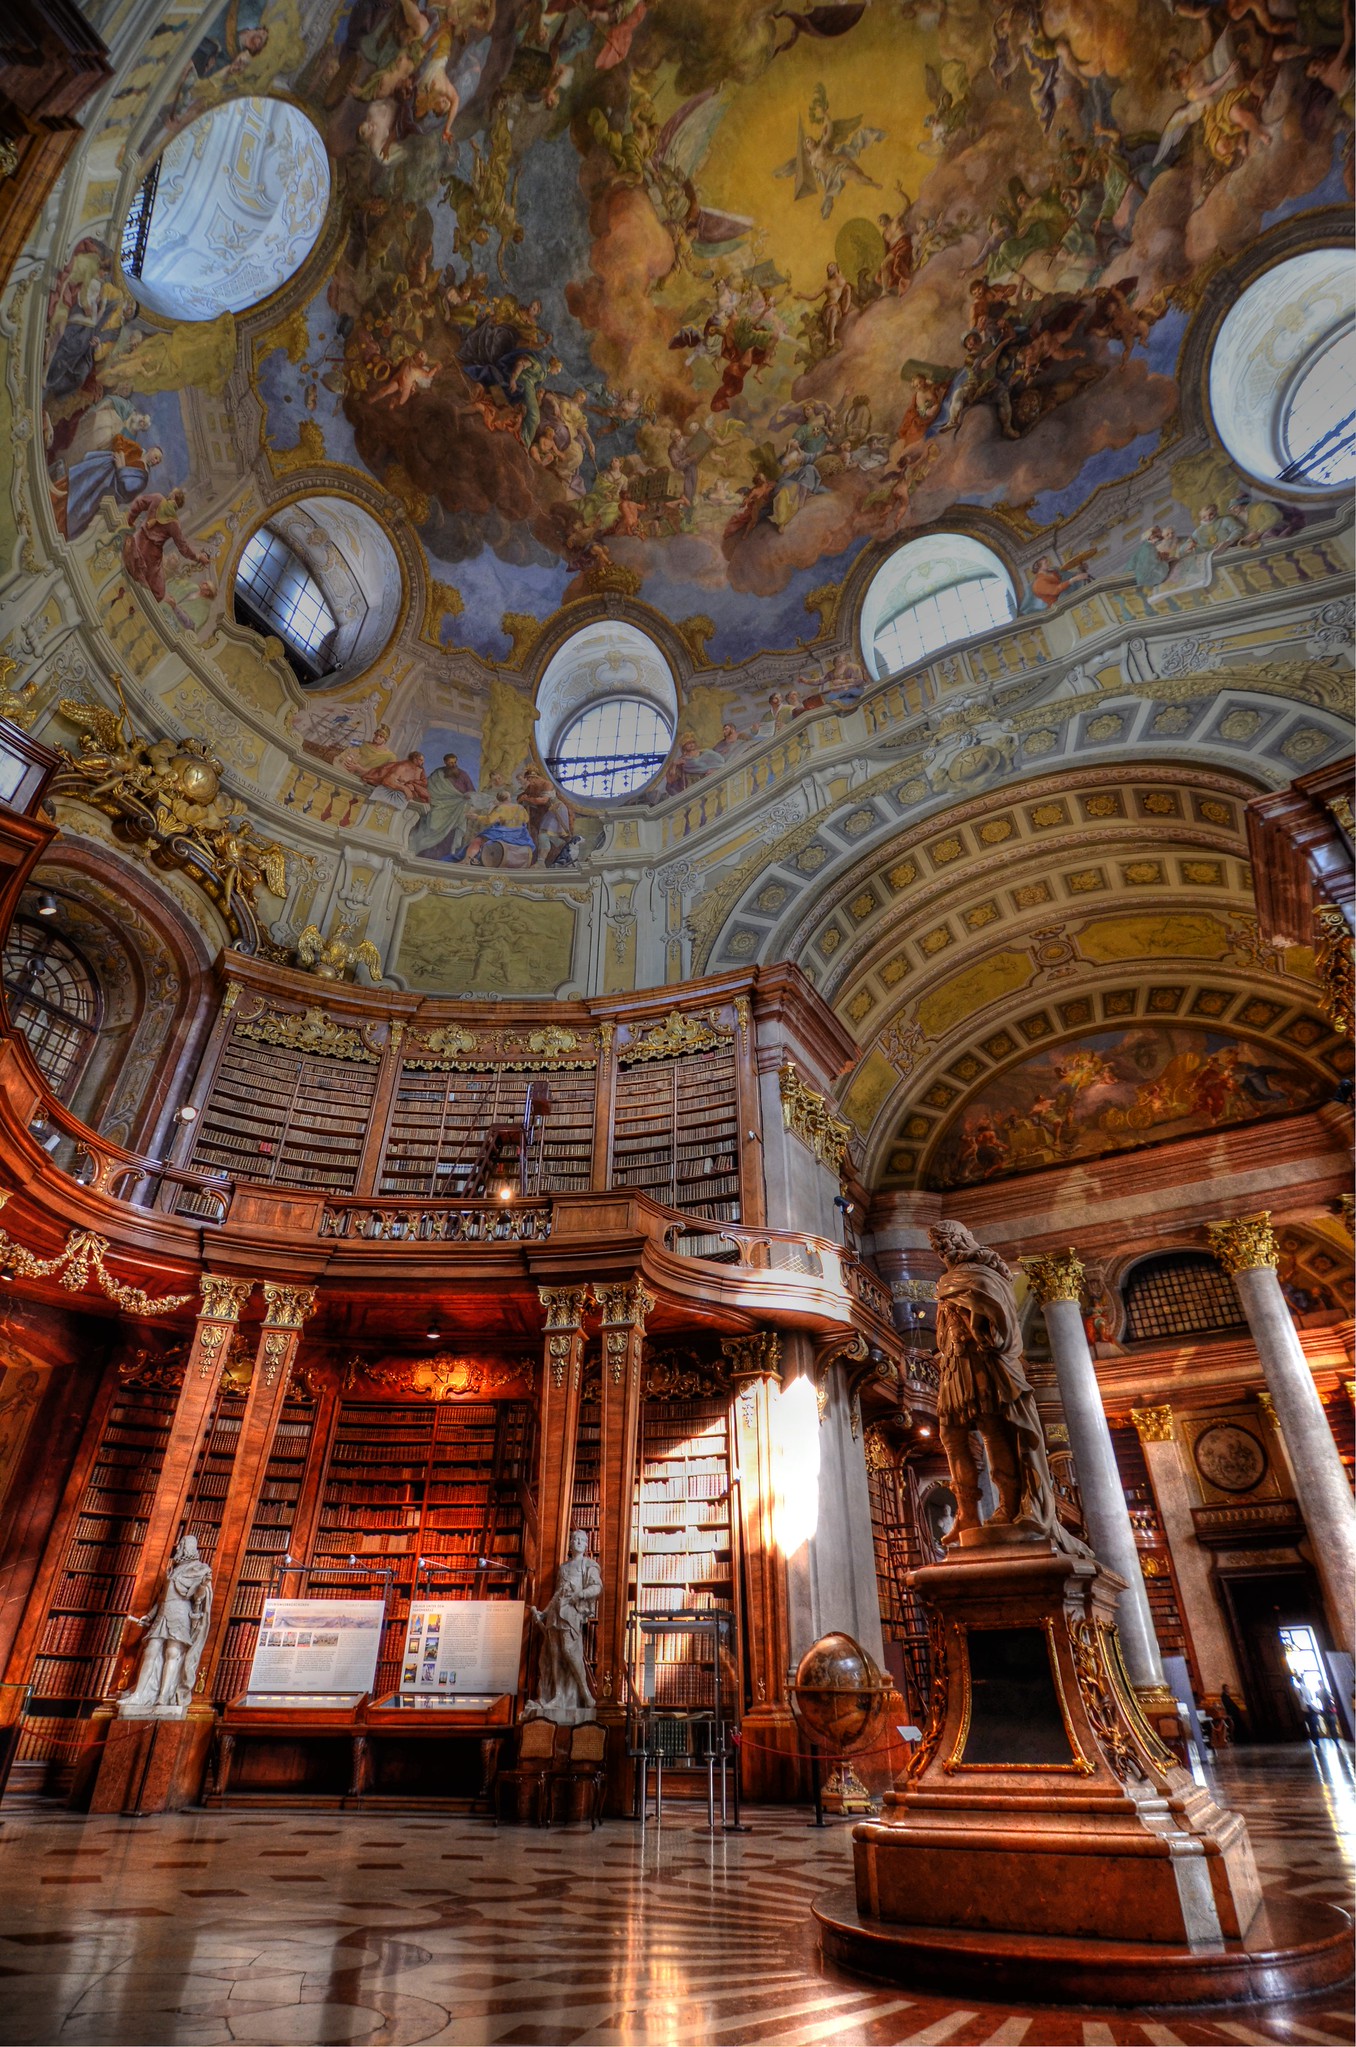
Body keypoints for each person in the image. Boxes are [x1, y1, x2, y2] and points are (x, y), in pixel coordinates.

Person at [119, 1535, 213, 1713]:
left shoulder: (200, 1569)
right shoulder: (173, 1569)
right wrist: (149, 1615)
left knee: (173, 1652)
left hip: (180, 1613)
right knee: (151, 1650)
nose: (178, 1548)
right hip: (163, 1613)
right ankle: (139, 1694)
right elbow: (162, 1597)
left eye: (182, 1545)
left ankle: (164, 1696)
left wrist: (203, 1586)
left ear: (189, 1547)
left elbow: (198, 1598)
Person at [524, 1529, 602, 1726]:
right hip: (555, 1615)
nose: (578, 1542)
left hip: (572, 1614)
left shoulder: (589, 1565)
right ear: (570, 1543)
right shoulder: (563, 1568)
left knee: (569, 1651)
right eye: (575, 1539)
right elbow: (558, 1593)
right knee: (555, 1654)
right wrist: (544, 1613)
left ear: (586, 1544)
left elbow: (597, 1587)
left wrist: (580, 1594)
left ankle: (585, 1693)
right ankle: (558, 1696)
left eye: (582, 1540)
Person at [410, 751, 476, 859]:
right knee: (431, 821)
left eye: (454, 762)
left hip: (455, 809)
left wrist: (468, 797)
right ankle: (423, 852)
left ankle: (441, 857)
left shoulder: (463, 774)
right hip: (438, 804)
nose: (453, 765)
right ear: (445, 762)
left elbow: (472, 792)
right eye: (450, 763)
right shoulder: (438, 773)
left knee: (449, 833)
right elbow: (429, 786)